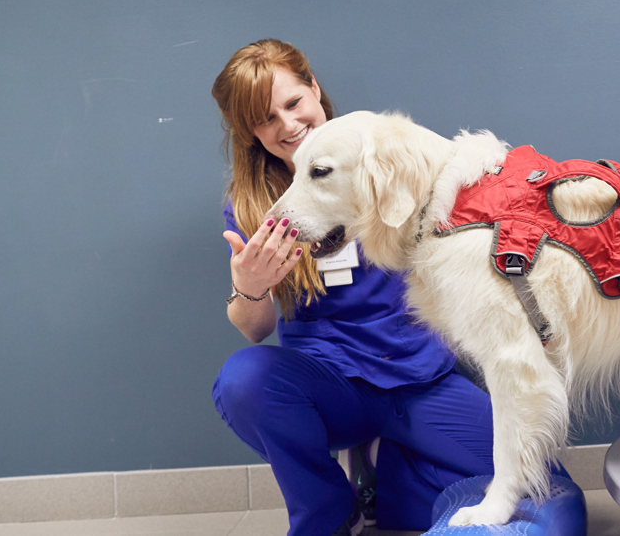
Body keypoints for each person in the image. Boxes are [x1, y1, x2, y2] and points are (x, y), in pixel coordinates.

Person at [209, 39, 495, 536]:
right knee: (243, 379)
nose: (288, 125)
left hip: (419, 375)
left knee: (540, 485)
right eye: (266, 118)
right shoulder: (254, 204)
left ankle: (384, 476)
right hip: (334, 383)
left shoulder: (388, 162)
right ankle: (327, 515)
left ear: (314, 89)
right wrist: (249, 287)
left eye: (294, 103)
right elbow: (254, 331)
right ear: (249, 132)